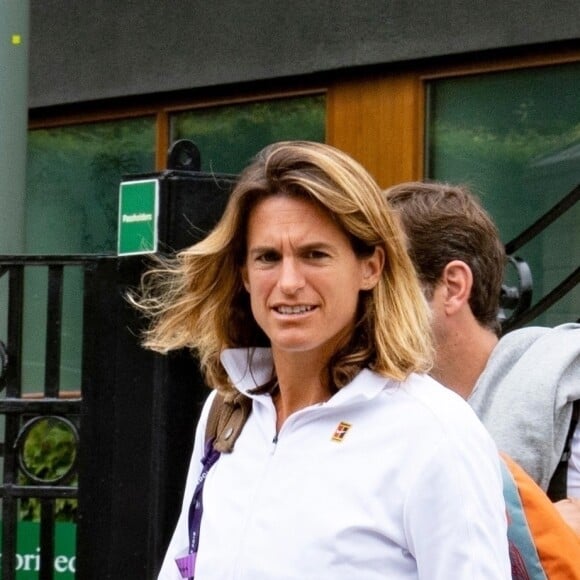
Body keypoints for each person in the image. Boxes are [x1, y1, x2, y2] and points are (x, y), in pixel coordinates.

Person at [134, 142, 510, 579]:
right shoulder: (226, 412)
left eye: (315, 255)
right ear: (244, 274)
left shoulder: (436, 432)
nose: (289, 282)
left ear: (370, 267)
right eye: (268, 257)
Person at [384, 181, 580, 514]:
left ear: (453, 287)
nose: (359, 301)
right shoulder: (360, 414)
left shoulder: (566, 397)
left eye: (384, 282)